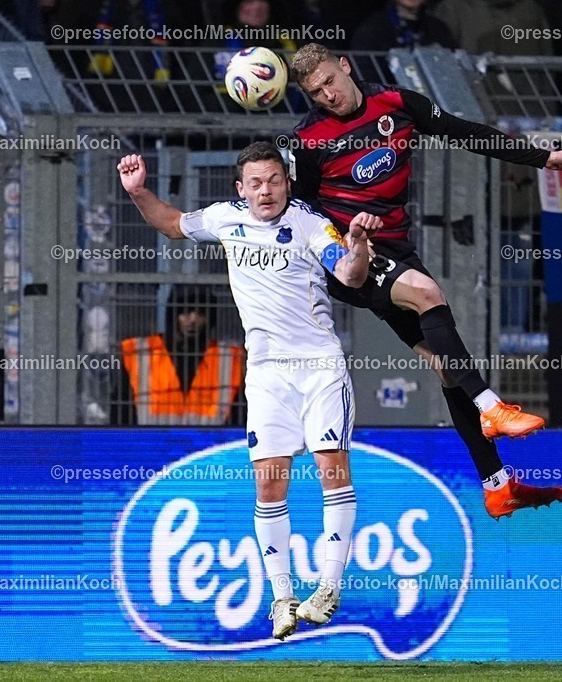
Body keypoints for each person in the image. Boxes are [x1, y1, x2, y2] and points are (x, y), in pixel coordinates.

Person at [287, 43, 562, 519]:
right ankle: (493, 407)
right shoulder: (308, 140)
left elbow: (464, 131)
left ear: (345, 66)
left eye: (329, 80)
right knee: (428, 293)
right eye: (314, 91)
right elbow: (302, 212)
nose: (326, 95)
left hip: (396, 249)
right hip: (352, 257)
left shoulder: (396, 103)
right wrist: (337, 252)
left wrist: (542, 158)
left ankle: (496, 484)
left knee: (447, 365)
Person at [118, 142, 380, 639]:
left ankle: (327, 587)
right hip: (265, 375)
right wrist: (137, 193)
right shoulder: (224, 218)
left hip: (319, 368)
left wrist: (360, 246)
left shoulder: (308, 221)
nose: (266, 190)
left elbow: (348, 272)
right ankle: (282, 598)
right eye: (256, 183)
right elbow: (172, 223)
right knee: (269, 483)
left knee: (331, 469)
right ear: (241, 189)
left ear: (287, 182)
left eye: (275, 181)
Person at [113, 284, 245, 425]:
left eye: (201, 313)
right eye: (185, 311)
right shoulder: (139, 352)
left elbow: (241, 411)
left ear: (210, 319)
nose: (193, 319)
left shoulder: (230, 358)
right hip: (152, 443)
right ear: (173, 315)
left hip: (212, 444)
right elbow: (121, 408)